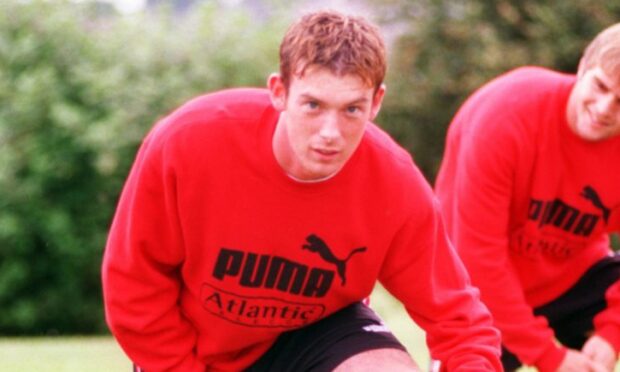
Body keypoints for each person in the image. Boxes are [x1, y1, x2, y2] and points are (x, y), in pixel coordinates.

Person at [102, 10, 501, 371]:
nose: (331, 133)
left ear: (376, 103)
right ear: (279, 91)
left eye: (351, 109)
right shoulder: (187, 142)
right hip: (196, 348)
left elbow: (459, 317)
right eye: (313, 105)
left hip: (317, 334)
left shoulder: (394, 183)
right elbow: (133, 281)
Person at [435, 22, 620, 372]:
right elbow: (477, 258)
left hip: (570, 278)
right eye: (600, 86)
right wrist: (550, 357)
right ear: (582, 66)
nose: (605, 107)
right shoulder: (505, 117)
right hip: (475, 293)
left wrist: (612, 332)